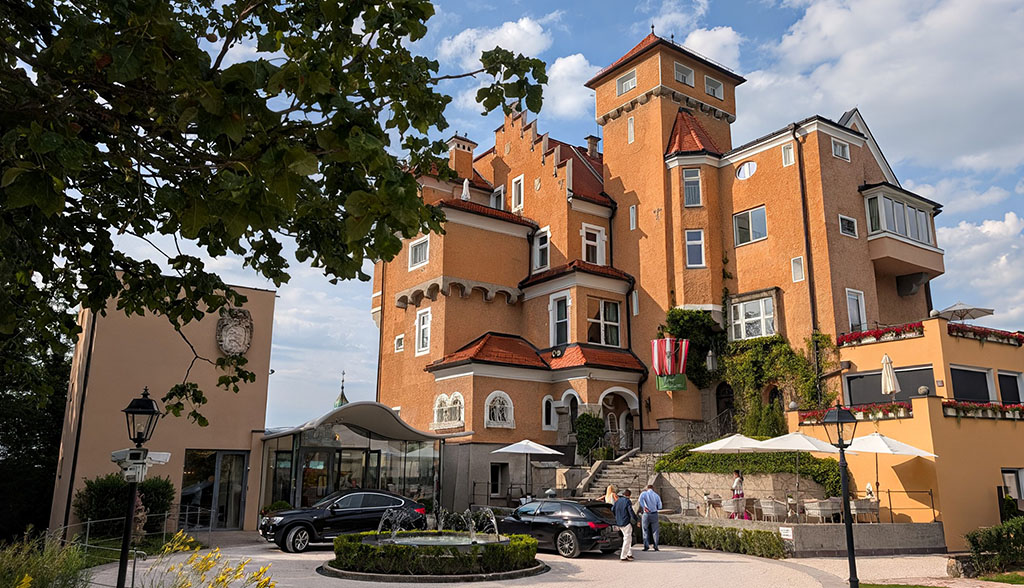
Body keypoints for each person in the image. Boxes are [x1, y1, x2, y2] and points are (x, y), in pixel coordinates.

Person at [612, 489, 639, 562]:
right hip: (625, 522)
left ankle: (629, 553)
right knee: (627, 539)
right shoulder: (627, 501)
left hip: (619, 522)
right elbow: (630, 511)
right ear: (629, 495)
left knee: (627, 538)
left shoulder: (617, 501)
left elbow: (612, 509)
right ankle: (623, 556)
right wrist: (636, 520)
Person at [637, 484, 662, 551]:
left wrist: (644, 507)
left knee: (645, 530)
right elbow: (660, 506)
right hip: (654, 513)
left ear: (647, 488)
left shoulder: (644, 494)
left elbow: (640, 501)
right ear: (653, 488)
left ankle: (646, 546)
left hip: (646, 513)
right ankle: (656, 546)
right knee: (655, 530)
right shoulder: (657, 495)